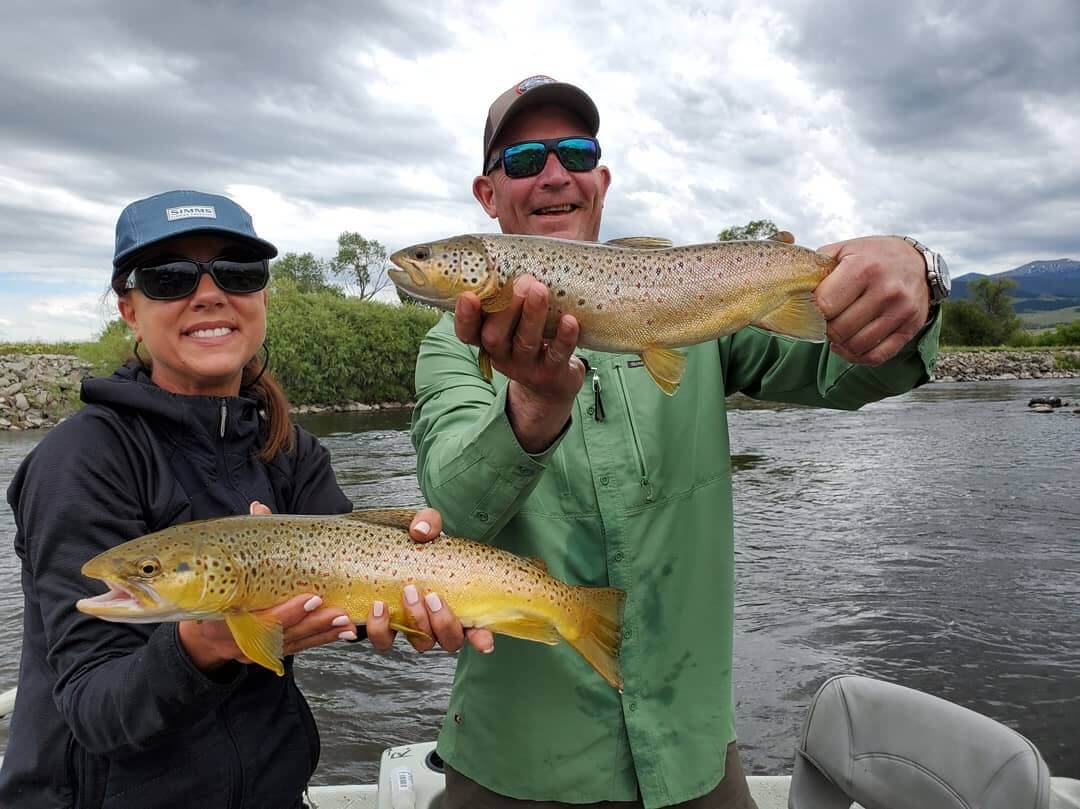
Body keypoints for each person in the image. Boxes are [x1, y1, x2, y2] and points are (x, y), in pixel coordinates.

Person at [408, 76, 946, 809]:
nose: (555, 173)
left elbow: (849, 371)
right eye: (526, 158)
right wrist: (532, 405)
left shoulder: (697, 309)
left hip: (694, 757)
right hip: (515, 766)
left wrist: (918, 276)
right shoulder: (449, 349)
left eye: (575, 151)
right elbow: (449, 519)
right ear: (488, 193)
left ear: (601, 179)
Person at [0, 189, 484, 809]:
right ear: (128, 309)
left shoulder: (289, 448)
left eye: (237, 271)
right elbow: (95, 712)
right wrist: (207, 645)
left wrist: (414, 604)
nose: (209, 292)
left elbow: (350, 596)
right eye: (169, 277)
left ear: (261, 295)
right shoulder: (81, 459)